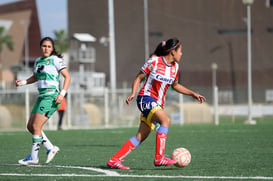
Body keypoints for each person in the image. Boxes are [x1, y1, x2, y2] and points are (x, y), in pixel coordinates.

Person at [107, 38, 206, 170]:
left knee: (141, 136)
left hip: (156, 104)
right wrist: (132, 93)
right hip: (145, 98)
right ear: (172, 52)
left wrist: (193, 94)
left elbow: (175, 85)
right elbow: (139, 77)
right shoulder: (154, 61)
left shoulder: (175, 68)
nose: (181, 54)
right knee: (165, 120)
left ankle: (114, 160)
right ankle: (159, 158)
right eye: (180, 51)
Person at [16, 37, 71, 165]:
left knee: (36, 126)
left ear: (52, 49)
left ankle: (34, 157)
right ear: (40, 47)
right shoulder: (38, 61)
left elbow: (67, 77)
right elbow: (35, 77)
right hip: (41, 97)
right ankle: (50, 148)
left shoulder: (56, 60)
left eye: (49, 46)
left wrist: (62, 94)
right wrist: (24, 82)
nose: (46, 48)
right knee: (30, 127)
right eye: (44, 46)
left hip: (51, 97)